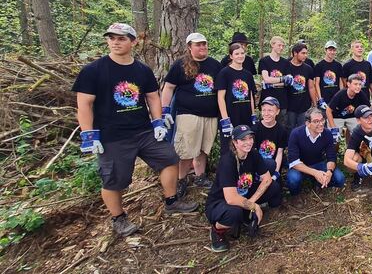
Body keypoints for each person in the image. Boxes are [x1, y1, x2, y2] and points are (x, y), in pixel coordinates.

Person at [72, 23, 197, 237]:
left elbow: (152, 96)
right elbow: (84, 104)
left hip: (143, 131)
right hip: (112, 136)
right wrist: (88, 134)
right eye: (111, 38)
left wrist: (157, 122)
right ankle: (118, 218)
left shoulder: (142, 70)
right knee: (114, 179)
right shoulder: (94, 70)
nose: (115, 42)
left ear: (133, 42)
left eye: (121, 38)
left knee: (169, 158)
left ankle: (171, 201)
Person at [161, 32, 221, 198]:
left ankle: (200, 176)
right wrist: (164, 110)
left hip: (210, 115)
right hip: (188, 114)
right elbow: (169, 87)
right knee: (186, 151)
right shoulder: (180, 65)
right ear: (189, 47)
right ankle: (181, 180)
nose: (202, 47)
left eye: (204, 44)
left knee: (203, 149)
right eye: (197, 44)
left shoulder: (214, 65)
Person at [205, 125, 282, 252]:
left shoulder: (253, 154)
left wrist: (251, 201)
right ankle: (217, 230)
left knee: (273, 186)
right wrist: (254, 206)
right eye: (243, 140)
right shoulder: (227, 161)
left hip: (244, 193)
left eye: (250, 138)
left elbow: (267, 179)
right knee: (234, 212)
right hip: (221, 201)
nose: (248, 142)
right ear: (235, 142)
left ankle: (245, 215)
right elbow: (230, 199)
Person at [286, 108, 346, 195]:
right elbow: (293, 162)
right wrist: (315, 173)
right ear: (307, 123)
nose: (321, 124)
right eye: (316, 121)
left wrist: (329, 172)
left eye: (322, 120)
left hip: (319, 163)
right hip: (301, 165)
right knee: (293, 179)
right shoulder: (296, 134)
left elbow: (331, 157)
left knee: (339, 179)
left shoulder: (327, 133)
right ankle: (296, 196)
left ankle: (318, 183)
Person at [216, 43, 258, 136]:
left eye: (242, 53)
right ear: (231, 56)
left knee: (245, 145)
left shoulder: (248, 74)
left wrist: (253, 114)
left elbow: (250, 95)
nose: (240, 56)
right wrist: (225, 120)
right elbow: (220, 98)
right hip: (231, 115)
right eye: (237, 54)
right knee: (229, 147)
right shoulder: (224, 73)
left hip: (246, 115)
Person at [257, 36, 293, 125]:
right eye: (279, 45)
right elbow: (266, 79)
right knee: (265, 125)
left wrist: (271, 83)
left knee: (281, 127)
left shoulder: (286, 62)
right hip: (267, 100)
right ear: (272, 45)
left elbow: (288, 82)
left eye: (283, 46)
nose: (281, 48)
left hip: (282, 102)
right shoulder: (264, 61)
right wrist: (281, 79)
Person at [325, 74, 369, 142]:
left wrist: (363, 120)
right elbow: (328, 110)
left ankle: (352, 149)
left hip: (353, 117)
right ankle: (333, 151)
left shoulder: (361, 94)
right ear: (348, 84)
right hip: (336, 117)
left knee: (359, 135)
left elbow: (367, 107)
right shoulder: (340, 94)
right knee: (334, 139)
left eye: (360, 84)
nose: (358, 86)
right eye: (355, 84)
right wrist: (333, 128)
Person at [253, 97, 288, 182]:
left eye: (270, 110)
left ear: (277, 112)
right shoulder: (255, 129)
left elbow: (279, 153)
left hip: (273, 166)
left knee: (275, 189)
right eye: (264, 110)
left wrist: (276, 173)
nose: (266, 113)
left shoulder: (281, 130)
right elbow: (253, 153)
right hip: (258, 167)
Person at [285, 43, 316, 129]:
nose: (305, 55)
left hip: (304, 106)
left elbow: (311, 87)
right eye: (303, 53)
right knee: (290, 129)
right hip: (290, 106)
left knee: (303, 129)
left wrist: (314, 103)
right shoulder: (286, 66)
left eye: (306, 53)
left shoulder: (308, 68)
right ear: (295, 53)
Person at [313, 40, 344, 111]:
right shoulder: (319, 65)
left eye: (334, 50)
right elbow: (316, 83)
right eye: (330, 50)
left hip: (336, 98)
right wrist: (320, 99)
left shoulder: (338, 65)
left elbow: (340, 82)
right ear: (325, 50)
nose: (332, 52)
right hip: (324, 99)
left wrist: (342, 95)